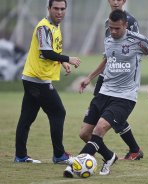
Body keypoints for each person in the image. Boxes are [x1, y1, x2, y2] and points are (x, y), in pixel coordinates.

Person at [63, 9, 148, 177]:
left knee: (99, 129)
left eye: (117, 28)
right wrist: (90, 77)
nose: (113, 31)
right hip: (104, 92)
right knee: (84, 134)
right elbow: (108, 59)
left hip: (124, 97)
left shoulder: (137, 41)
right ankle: (109, 156)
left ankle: (76, 164)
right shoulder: (109, 39)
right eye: (111, 28)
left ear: (125, 25)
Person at [15, 0, 81, 164]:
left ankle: (21, 156)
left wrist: (61, 62)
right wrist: (68, 59)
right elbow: (45, 52)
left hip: (33, 79)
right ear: (49, 8)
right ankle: (59, 155)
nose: (59, 12)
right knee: (58, 112)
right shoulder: (44, 27)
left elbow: (52, 51)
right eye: (56, 8)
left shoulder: (55, 27)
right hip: (37, 80)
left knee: (27, 118)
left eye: (62, 9)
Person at [80, 0, 143, 161]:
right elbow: (109, 55)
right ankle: (131, 150)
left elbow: (135, 51)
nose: (115, 1)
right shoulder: (107, 22)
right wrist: (90, 77)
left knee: (108, 118)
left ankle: (92, 156)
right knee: (106, 117)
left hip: (121, 82)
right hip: (106, 78)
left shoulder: (131, 22)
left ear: (124, 1)